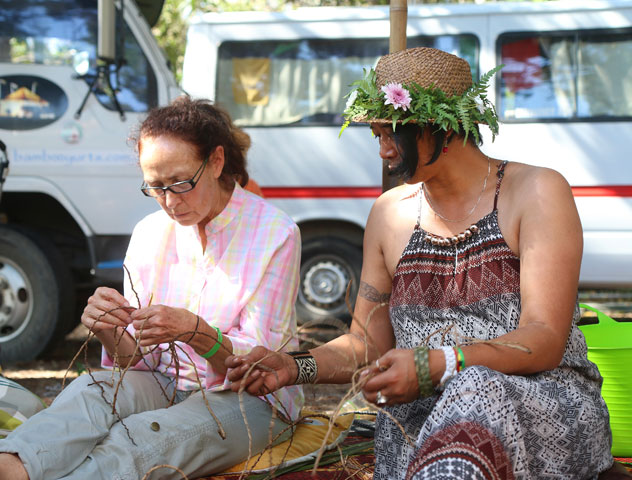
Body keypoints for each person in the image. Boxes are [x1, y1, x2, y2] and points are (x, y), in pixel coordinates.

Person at [226, 47, 614, 479]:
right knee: (464, 395)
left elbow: (543, 338)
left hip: (542, 410)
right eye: (377, 136)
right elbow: (366, 346)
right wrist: (295, 366)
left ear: (443, 128)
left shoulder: (535, 191)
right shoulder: (389, 213)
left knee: (476, 384)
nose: (384, 152)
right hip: (421, 425)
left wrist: (442, 363)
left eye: (392, 134)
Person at [0, 96, 304, 480]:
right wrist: (106, 328)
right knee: (90, 391)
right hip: (164, 382)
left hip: (250, 399)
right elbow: (133, 362)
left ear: (216, 161)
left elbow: (258, 370)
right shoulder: (151, 233)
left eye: (181, 182)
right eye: (155, 186)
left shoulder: (275, 234)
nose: (169, 201)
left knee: (139, 438)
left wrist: (196, 332)